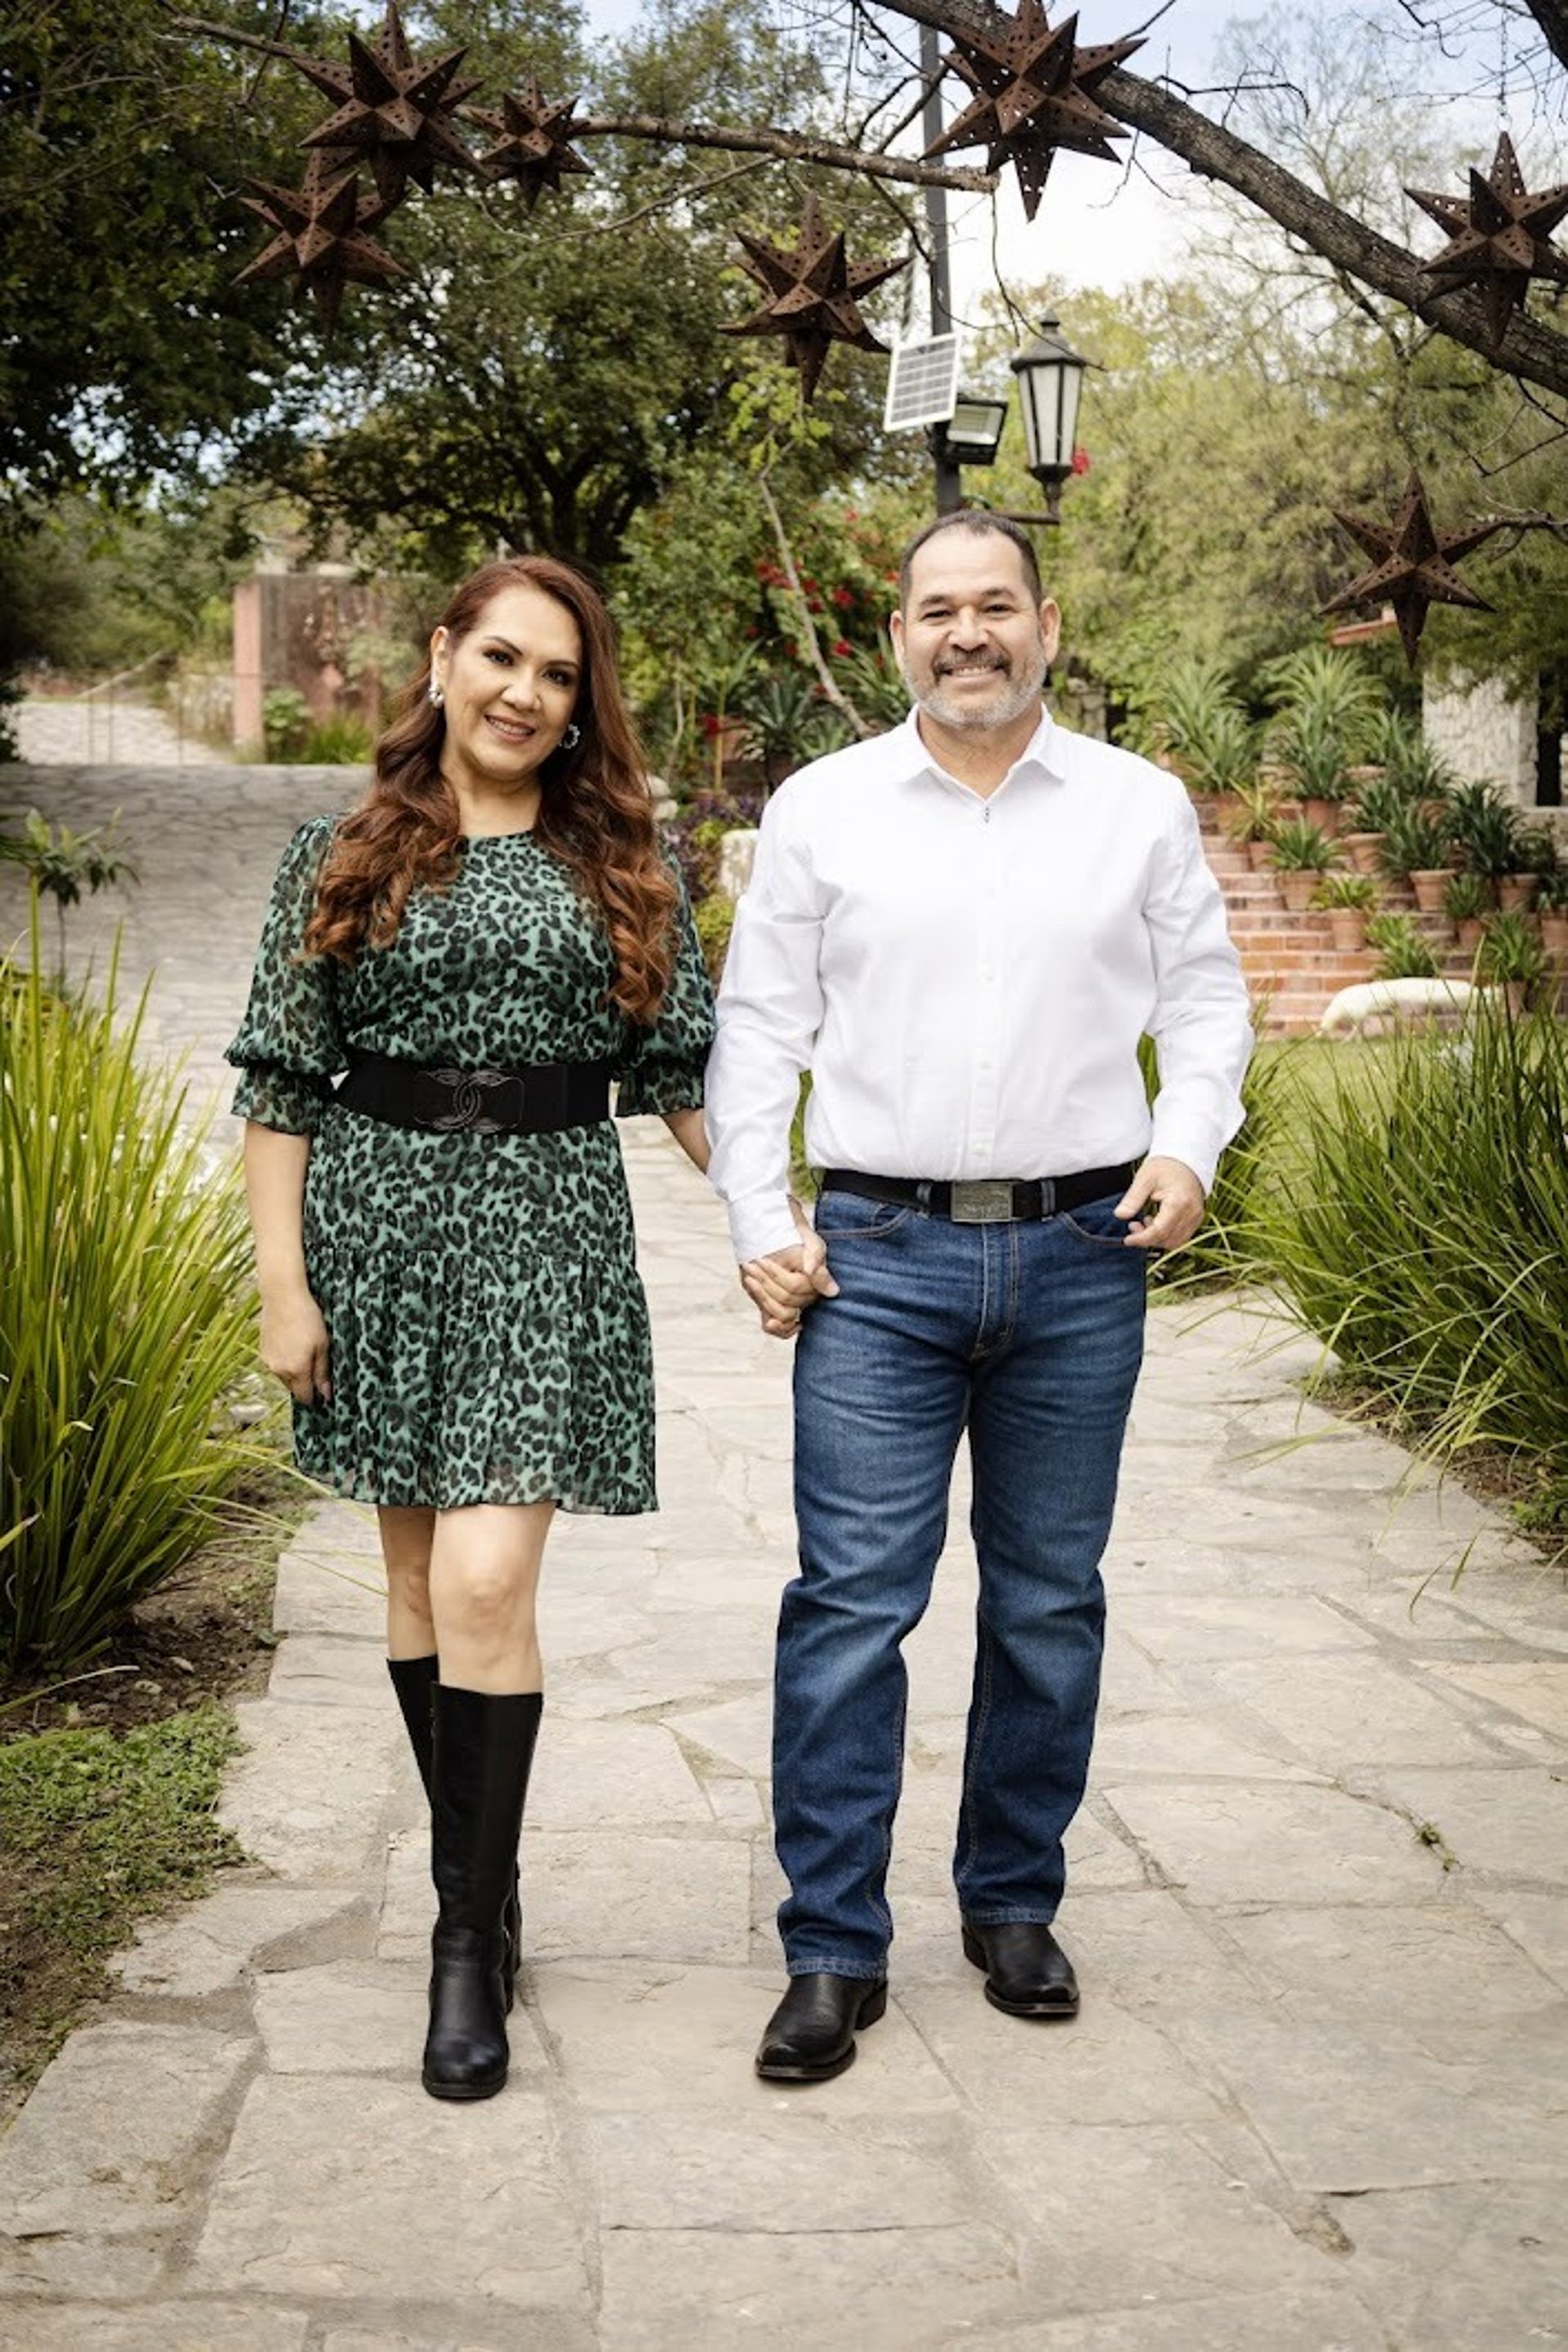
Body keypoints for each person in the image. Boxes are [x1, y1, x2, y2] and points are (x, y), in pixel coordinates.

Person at [705, 511, 1252, 2082]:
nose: (968, 633)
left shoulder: (1138, 808)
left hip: (1086, 1253)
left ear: (1046, 625)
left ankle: (1013, 1903)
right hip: (876, 1261)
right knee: (850, 1607)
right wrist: (761, 1216)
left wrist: (1189, 1145)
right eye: (938, 608)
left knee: (1048, 1601)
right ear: (899, 637)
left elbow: (1206, 999)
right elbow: (760, 1030)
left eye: (996, 605)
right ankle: (832, 1946)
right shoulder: (823, 808)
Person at [228, 555, 713, 2102]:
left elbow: (685, 1072)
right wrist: (284, 1284)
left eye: (559, 675)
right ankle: (483, 1896)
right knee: (416, 1583)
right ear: (443, 659)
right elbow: (280, 1083)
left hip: (547, 1231)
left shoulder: (624, 863)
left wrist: (788, 1218)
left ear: (582, 706)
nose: (525, 693)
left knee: (487, 1577)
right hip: (380, 1231)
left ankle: (456, 1945)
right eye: (503, 657)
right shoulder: (339, 853)